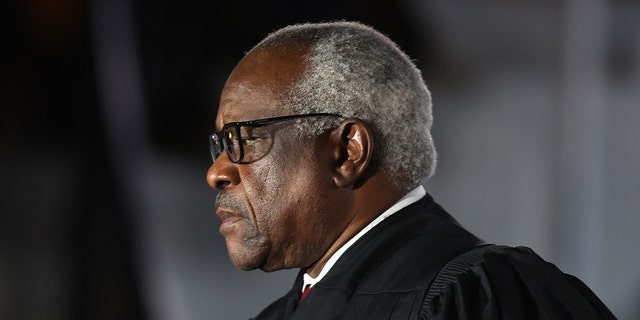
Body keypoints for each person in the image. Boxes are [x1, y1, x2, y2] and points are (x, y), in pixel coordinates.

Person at [206, 21, 615, 320]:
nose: (217, 172)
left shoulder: (477, 297)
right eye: (221, 145)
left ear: (348, 152)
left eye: (245, 139)